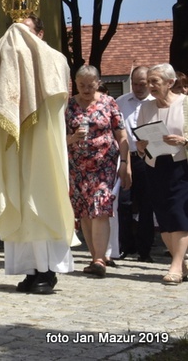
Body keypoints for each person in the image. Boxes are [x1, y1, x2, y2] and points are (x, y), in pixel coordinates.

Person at [0, 15, 77, 294]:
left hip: (42, 142)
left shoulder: (54, 59)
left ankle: (47, 270)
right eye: (13, 32)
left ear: (40, 34)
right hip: (12, 145)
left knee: (40, 200)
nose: (18, 38)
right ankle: (31, 270)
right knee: (18, 200)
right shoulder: (3, 54)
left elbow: (61, 103)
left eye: (26, 32)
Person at [66, 65, 131, 278]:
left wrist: (125, 163)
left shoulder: (108, 102)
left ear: (98, 82)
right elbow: (57, 139)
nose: (86, 89)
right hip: (77, 165)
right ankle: (94, 256)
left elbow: (122, 136)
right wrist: (73, 138)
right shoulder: (68, 105)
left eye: (90, 85)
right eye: (81, 85)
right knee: (84, 210)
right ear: (75, 83)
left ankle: (100, 258)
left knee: (101, 206)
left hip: (105, 163)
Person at [135, 63, 188, 285]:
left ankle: (175, 266)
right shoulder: (146, 108)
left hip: (181, 166)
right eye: (149, 81)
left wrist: (184, 140)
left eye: (155, 81)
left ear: (170, 82)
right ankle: (182, 264)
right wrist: (142, 145)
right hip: (155, 165)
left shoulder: (185, 104)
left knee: (178, 214)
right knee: (164, 217)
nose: (150, 86)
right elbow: (139, 143)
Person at [115, 66, 155, 262]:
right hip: (126, 156)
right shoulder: (121, 102)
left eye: (142, 84)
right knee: (123, 203)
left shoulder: (156, 103)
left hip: (148, 157)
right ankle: (126, 245)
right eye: (135, 83)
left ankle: (144, 249)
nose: (138, 87)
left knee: (147, 204)